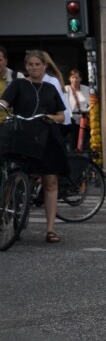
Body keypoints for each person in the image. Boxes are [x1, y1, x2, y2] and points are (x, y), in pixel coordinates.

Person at [0, 51, 68, 243]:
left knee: (50, 182)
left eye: (37, 64)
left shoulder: (50, 88)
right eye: (30, 64)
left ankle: (50, 229)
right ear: (26, 66)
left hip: (47, 137)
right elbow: (5, 102)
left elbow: (62, 116)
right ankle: (7, 212)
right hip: (23, 136)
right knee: (15, 175)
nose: (33, 68)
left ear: (44, 66)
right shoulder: (19, 84)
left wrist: (51, 118)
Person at [63, 68, 91, 150]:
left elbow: (92, 103)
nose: (75, 80)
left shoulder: (86, 89)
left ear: (81, 79)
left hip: (85, 120)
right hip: (72, 121)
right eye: (72, 77)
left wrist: (87, 111)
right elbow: (65, 104)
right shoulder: (66, 89)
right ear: (69, 79)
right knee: (72, 143)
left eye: (77, 77)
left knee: (85, 144)